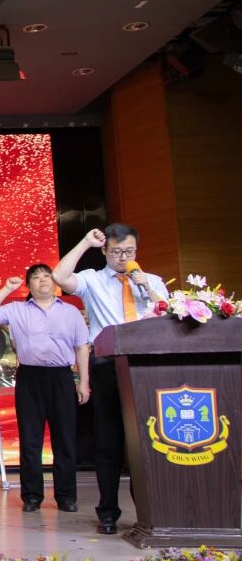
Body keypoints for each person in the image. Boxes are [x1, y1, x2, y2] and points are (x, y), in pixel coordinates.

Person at [53, 224, 168, 535]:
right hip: (108, 365)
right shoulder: (93, 280)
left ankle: (149, 510)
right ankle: (107, 512)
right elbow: (60, 276)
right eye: (116, 252)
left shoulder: (152, 280)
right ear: (105, 251)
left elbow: (169, 317)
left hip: (146, 368)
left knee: (149, 440)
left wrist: (147, 288)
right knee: (109, 439)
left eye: (129, 251)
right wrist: (84, 243)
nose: (123, 257)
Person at [0, 266, 91, 517]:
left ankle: (66, 496)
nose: (42, 281)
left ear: (54, 282)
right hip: (30, 377)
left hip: (61, 376)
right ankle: (31, 496)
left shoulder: (70, 311)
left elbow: (82, 347)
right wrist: (7, 289)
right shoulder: (17, 309)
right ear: (29, 285)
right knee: (30, 440)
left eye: (46, 277)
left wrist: (83, 382)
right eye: (36, 278)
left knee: (65, 439)